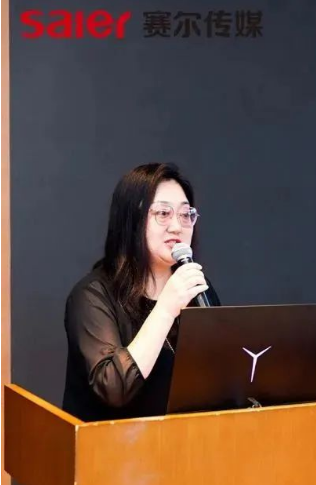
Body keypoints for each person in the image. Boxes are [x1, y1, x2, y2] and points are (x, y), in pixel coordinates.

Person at [62, 163, 220, 421]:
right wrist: (166, 309)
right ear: (133, 221)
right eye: (163, 213)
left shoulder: (195, 286)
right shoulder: (92, 295)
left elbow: (219, 375)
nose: (177, 226)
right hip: (111, 441)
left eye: (185, 214)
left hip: (182, 438)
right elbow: (114, 388)